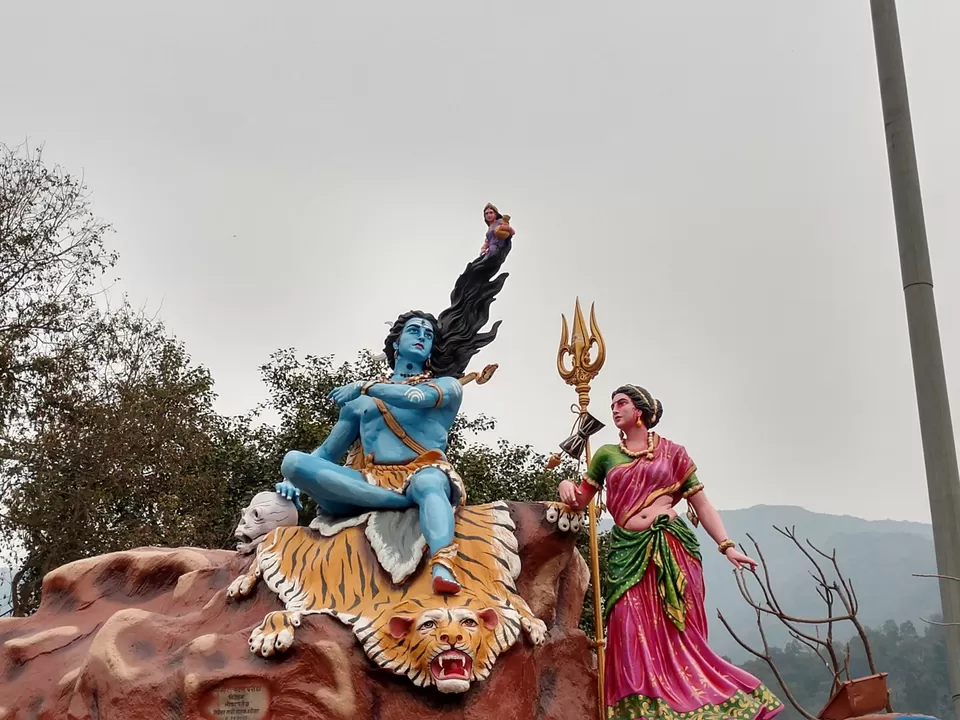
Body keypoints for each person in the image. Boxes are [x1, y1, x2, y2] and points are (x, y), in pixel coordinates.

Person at [275, 250, 510, 596]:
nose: (421, 337)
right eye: (413, 331)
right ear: (396, 342)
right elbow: (327, 453)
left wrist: (366, 385)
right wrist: (292, 482)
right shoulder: (361, 403)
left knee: (432, 482)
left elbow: (414, 399)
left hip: (419, 473)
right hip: (366, 482)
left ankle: (443, 564)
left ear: (431, 348)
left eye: (427, 335)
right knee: (294, 461)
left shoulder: (445, 387)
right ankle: (396, 504)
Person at [558, 384, 783, 720]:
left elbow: (701, 503)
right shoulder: (605, 454)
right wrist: (566, 487)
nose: (615, 409)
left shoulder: (673, 452)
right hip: (628, 550)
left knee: (678, 631)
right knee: (628, 625)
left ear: (641, 410)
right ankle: (640, 710)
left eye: (622, 403)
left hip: (672, 547)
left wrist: (727, 546)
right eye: (612, 404)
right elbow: (580, 500)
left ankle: (695, 705)